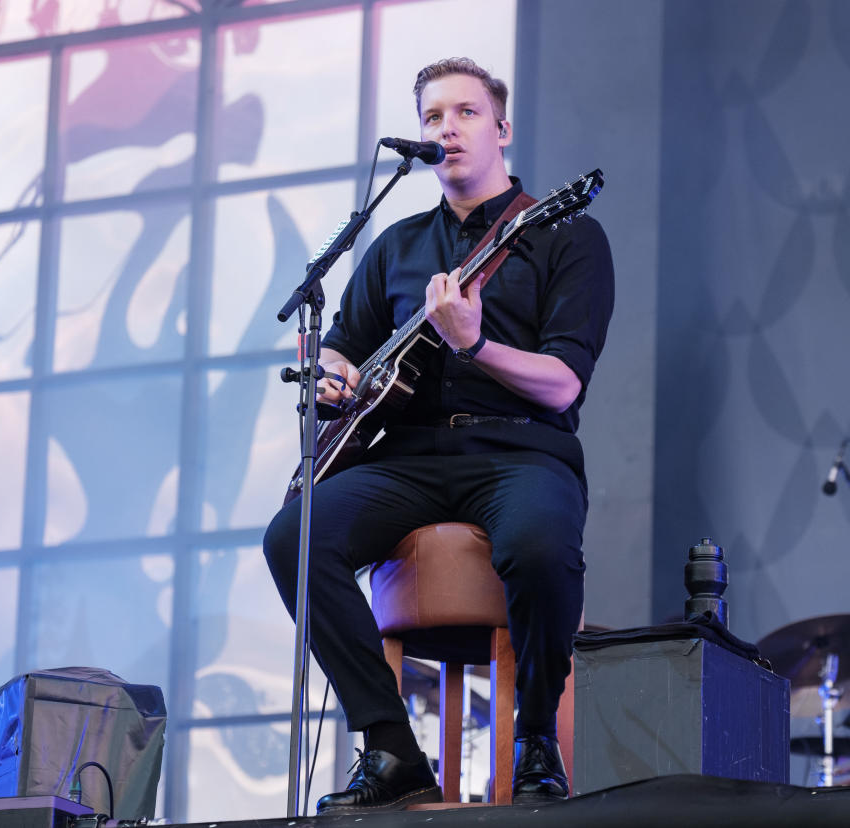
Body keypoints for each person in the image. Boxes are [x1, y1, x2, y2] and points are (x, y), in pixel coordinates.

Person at [263, 56, 614, 813]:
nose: (446, 129)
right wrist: (330, 373)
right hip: (410, 456)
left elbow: (564, 383)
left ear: (502, 128)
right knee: (293, 537)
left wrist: (476, 344)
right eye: (432, 117)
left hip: (521, 449)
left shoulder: (565, 236)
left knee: (541, 546)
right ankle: (390, 746)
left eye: (465, 113)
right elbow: (341, 348)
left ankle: (535, 741)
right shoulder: (393, 244)